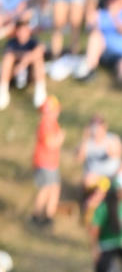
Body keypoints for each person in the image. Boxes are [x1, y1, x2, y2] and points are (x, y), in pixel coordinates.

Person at [0, 14, 47, 110]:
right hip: (13, 75)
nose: (22, 33)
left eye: (24, 30)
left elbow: (40, 50)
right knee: (8, 58)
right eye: (20, 30)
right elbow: (9, 54)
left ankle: (40, 93)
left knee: (38, 59)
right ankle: (3, 91)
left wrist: (23, 63)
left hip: (29, 74)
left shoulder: (33, 42)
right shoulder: (12, 42)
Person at [32, 96, 65, 228]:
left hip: (51, 162)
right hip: (45, 162)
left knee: (54, 188)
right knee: (46, 188)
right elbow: (50, 143)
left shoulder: (51, 124)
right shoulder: (45, 124)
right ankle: (37, 214)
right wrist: (60, 138)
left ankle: (48, 215)